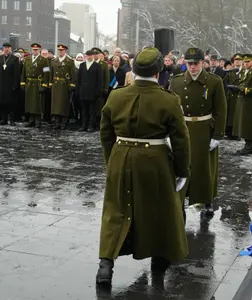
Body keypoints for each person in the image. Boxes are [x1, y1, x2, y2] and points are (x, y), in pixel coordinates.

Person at [96, 47, 191, 285]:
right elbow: (181, 140)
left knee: (115, 211)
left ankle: (105, 265)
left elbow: (105, 133)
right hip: (155, 161)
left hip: (121, 156)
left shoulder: (116, 96)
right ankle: (159, 259)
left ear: (134, 70)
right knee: (160, 210)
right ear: (158, 72)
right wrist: (182, 170)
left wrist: (113, 160)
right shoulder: (169, 100)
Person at [169, 47, 227, 216]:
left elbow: (221, 110)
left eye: (196, 63)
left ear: (203, 62)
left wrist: (218, 134)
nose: (192, 67)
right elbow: (171, 108)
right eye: (189, 63)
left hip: (204, 129)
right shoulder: (177, 81)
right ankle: (181, 199)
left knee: (205, 167)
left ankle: (207, 200)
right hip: (183, 127)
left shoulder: (214, 81)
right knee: (181, 164)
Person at [232, 54, 252, 155]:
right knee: (243, 123)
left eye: (248, 62)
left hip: (248, 102)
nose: (245, 64)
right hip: (243, 101)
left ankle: (250, 146)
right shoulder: (245, 72)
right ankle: (247, 145)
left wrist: (241, 89)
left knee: (249, 124)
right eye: (244, 62)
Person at [20, 43, 50, 128]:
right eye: (33, 49)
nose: (35, 51)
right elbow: (23, 72)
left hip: (38, 83)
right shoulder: (28, 59)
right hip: (29, 82)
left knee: (37, 103)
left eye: (36, 50)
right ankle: (31, 120)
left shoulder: (44, 60)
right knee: (30, 103)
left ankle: (38, 121)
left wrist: (44, 85)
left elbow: (46, 73)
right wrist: (22, 83)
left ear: (39, 50)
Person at [49, 44, 76, 130]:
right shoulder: (54, 60)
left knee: (63, 104)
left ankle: (64, 122)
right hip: (56, 84)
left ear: (65, 51)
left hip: (65, 85)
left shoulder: (70, 61)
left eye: (62, 50)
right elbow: (51, 72)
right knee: (56, 104)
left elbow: (73, 74)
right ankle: (57, 122)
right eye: (59, 50)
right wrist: (50, 83)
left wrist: (72, 85)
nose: (60, 52)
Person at [76, 50, 102, 132]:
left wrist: (98, 91)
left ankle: (91, 125)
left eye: (91, 55)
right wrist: (78, 90)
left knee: (92, 110)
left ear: (93, 56)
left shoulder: (97, 66)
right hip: (83, 92)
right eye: (88, 55)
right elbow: (79, 79)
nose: (89, 57)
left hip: (92, 92)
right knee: (84, 110)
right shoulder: (82, 65)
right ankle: (84, 125)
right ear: (86, 56)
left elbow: (100, 80)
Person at [0, 42, 20, 126]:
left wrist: (15, 85)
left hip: (11, 84)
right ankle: (4, 119)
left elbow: (17, 73)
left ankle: (12, 120)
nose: (6, 49)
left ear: (10, 49)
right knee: (2, 103)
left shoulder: (14, 59)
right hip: (1, 84)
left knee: (11, 103)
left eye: (8, 48)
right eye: (5, 47)